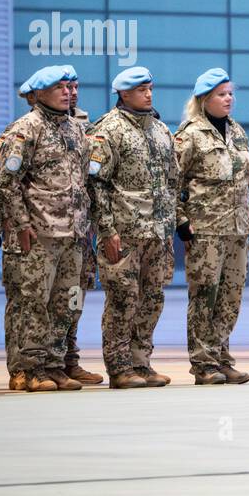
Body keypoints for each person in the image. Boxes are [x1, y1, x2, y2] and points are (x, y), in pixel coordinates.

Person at [0, 66, 90, 392]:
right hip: (37, 233)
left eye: (68, 86)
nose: (66, 92)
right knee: (30, 302)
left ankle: (53, 363)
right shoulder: (25, 130)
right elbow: (5, 182)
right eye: (59, 87)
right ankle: (27, 369)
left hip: (71, 233)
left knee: (65, 303)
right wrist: (20, 223)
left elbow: (83, 182)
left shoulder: (76, 130)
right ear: (39, 93)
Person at [87, 66, 178, 389]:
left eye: (150, 88)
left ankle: (141, 361)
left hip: (157, 232)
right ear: (124, 94)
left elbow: (172, 181)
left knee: (152, 298)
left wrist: (170, 227)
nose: (149, 94)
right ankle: (120, 365)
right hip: (123, 233)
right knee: (123, 299)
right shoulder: (108, 130)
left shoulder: (160, 130)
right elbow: (96, 184)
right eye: (141, 90)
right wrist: (107, 230)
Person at [174, 68, 249, 385]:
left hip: (237, 230)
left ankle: (222, 357)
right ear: (204, 100)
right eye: (222, 94)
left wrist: (248, 211)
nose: (229, 99)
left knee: (230, 297)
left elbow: (247, 181)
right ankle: (203, 363)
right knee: (205, 296)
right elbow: (172, 183)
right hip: (205, 230)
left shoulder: (237, 132)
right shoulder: (190, 134)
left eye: (231, 93)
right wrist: (182, 222)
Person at [58, 65, 100, 385]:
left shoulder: (88, 126)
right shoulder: (33, 127)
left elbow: (96, 181)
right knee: (48, 298)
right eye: (65, 86)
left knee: (76, 296)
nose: (71, 92)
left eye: (75, 86)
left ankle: (69, 358)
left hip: (82, 230)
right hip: (51, 228)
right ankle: (46, 360)